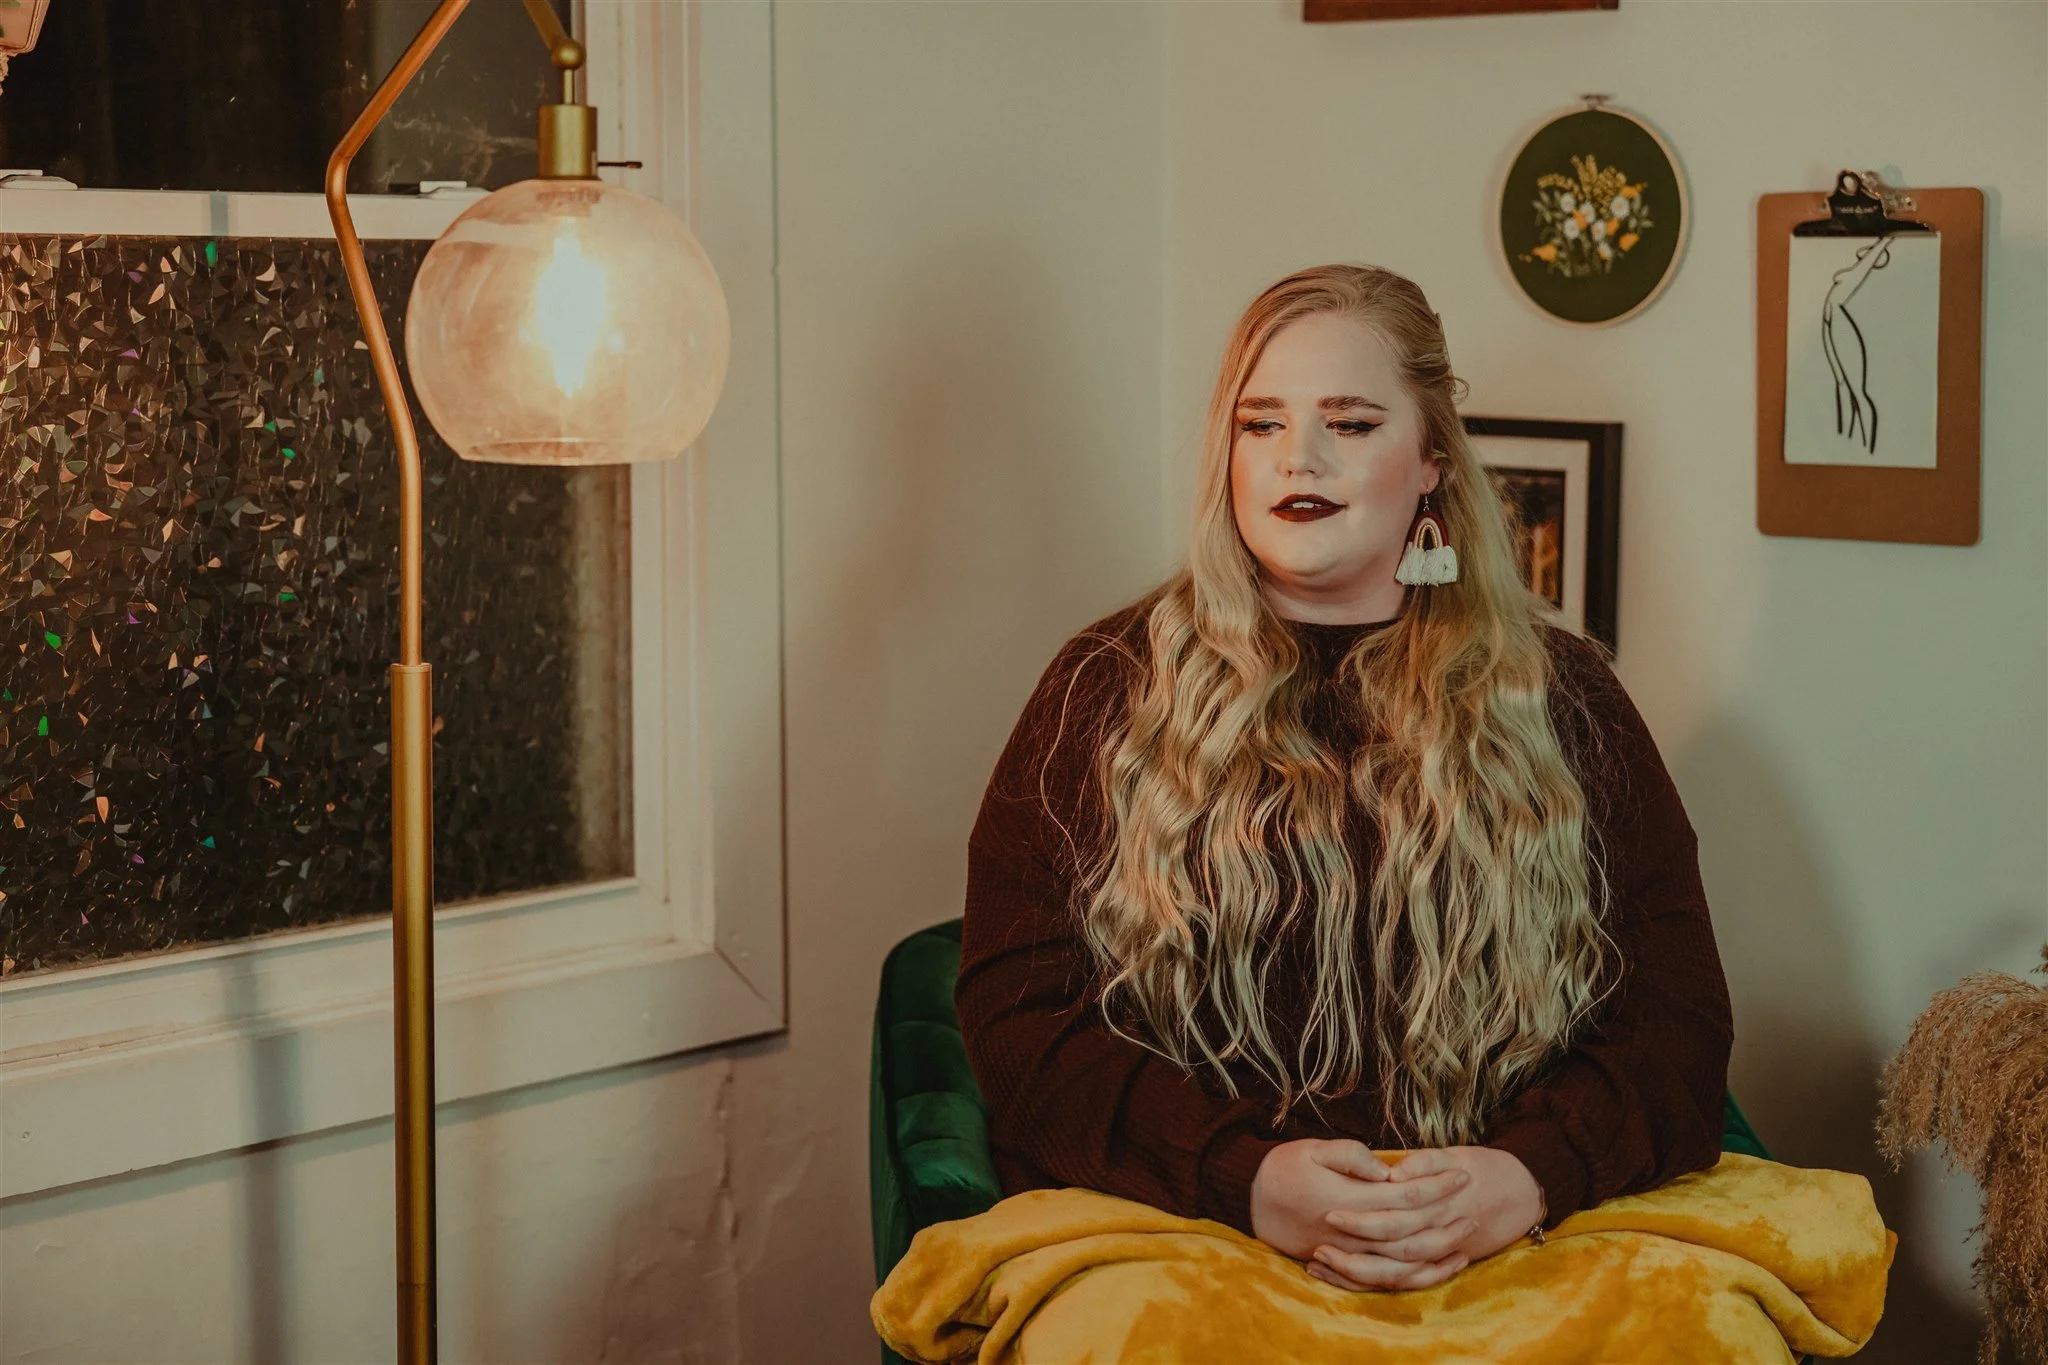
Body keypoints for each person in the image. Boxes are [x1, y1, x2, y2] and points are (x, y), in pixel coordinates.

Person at [957, 264, 1733, 1294]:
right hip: (1186, 1242)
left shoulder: (1562, 697)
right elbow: (1018, 1024)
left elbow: (1674, 1020)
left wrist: (1523, 1177)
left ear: (1430, 461)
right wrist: (1246, 1179)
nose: (1299, 458)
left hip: (1502, 1253)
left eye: (1351, 424)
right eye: (1259, 424)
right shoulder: (1101, 689)